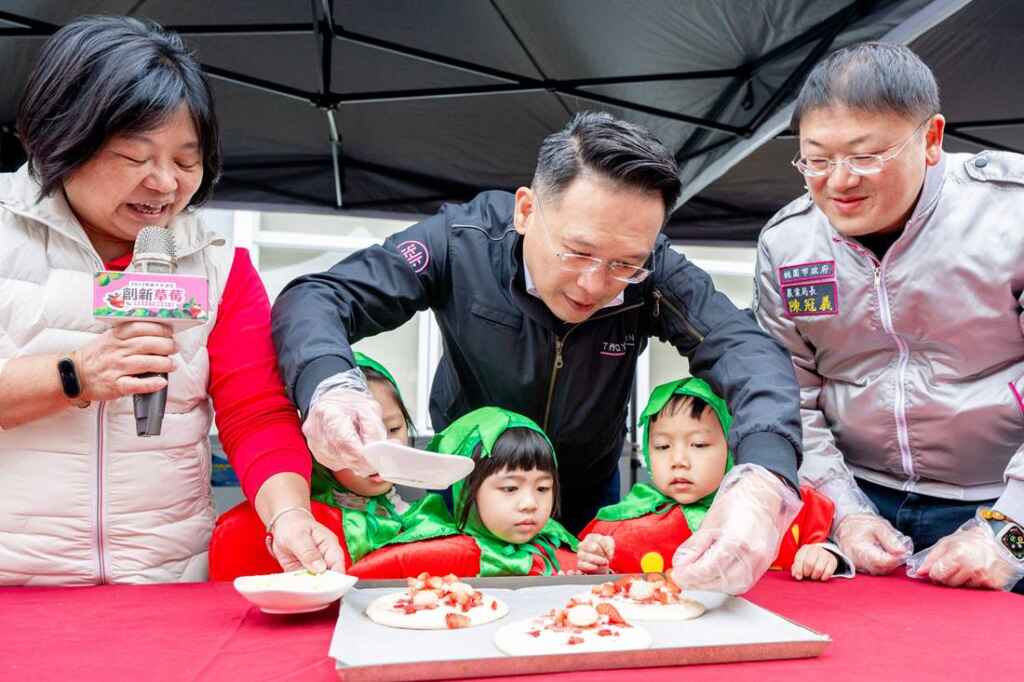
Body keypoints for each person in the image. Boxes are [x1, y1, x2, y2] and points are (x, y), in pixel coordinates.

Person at [274, 111, 805, 594]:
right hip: (471, 489)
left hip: (587, 491)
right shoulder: (461, 244)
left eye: (625, 265)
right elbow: (318, 296)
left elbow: (745, 349)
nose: (595, 285)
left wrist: (764, 479)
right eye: (578, 252)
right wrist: (329, 385)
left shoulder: (656, 272)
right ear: (527, 209)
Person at [0, 16, 341, 584]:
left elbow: (254, 411)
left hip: (165, 583)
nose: (165, 183)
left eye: (187, 160)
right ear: (63, 135)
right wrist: (72, 375)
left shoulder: (219, 266)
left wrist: (289, 514)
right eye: (137, 158)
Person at [754, 42, 1024, 592]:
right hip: (860, 507)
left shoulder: (1011, 214)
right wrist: (842, 511)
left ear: (930, 139)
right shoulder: (789, 244)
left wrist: (1008, 529)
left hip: (1002, 497)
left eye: (865, 155)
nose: (840, 181)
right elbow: (791, 399)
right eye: (817, 159)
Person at [577, 378, 850, 581]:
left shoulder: (777, 505)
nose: (679, 460)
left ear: (732, 449)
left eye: (698, 444)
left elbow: (826, 543)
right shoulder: (626, 525)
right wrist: (597, 562)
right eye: (662, 446)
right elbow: (603, 573)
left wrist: (824, 554)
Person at [348, 407, 585, 578]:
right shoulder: (427, 551)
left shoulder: (556, 547)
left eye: (543, 488)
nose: (530, 503)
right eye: (510, 488)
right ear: (463, 489)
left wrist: (596, 570)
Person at [309, 352, 414, 564]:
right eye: (354, 435)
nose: (379, 450)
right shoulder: (307, 530)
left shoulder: (422, 517)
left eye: (393, 428)